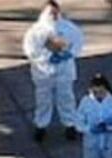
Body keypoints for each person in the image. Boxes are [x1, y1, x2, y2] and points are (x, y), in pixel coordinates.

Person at [23, 0, 85, 142]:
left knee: (66, 98)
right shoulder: (36, 31)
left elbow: (78, 43)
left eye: (56, 12)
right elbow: (30, 50)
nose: (54, 15)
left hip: (64, 71)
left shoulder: (69, 28)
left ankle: (70, 124)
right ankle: (41, 125)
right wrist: (47, 57)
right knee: (43, 100)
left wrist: (68, 54)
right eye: (51, 12)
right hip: (43, 72)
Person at [75, 74, 112, 158]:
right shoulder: (85, 103)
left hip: (111, 145)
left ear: (106, 89)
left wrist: (110, 127)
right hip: (92, 145)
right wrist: (89, 129)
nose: (98, 95)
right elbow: (78, 124)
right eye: (95, 92)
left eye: (101, 92)